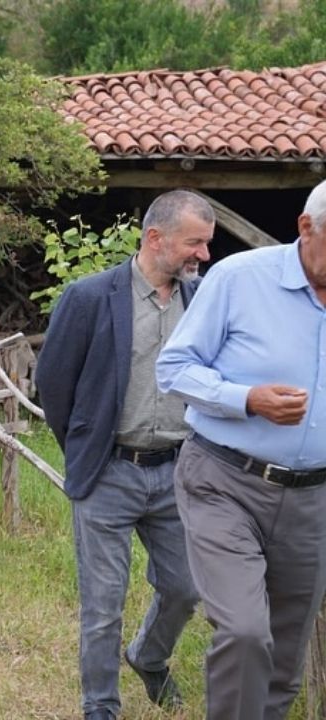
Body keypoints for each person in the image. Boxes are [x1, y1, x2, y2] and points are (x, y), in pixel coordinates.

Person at [36, 190, 213, 719]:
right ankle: (101, 707)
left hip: (177, 471)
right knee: (103, 604)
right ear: (155, 238)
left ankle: (148, 657)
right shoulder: (89, 297)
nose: (203, 254)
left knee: (186, 588)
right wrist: (86, 447)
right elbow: (53, 384)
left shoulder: (201, 300)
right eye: (194, 242)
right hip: (109, 472)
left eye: (206, 243)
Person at [157, 180, 326, 720]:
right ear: (306, 227)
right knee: (246, 632)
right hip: (225, 482)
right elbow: (174, 368)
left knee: (284, 657)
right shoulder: (239, 278)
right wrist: (247, 399)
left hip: (312, 499)